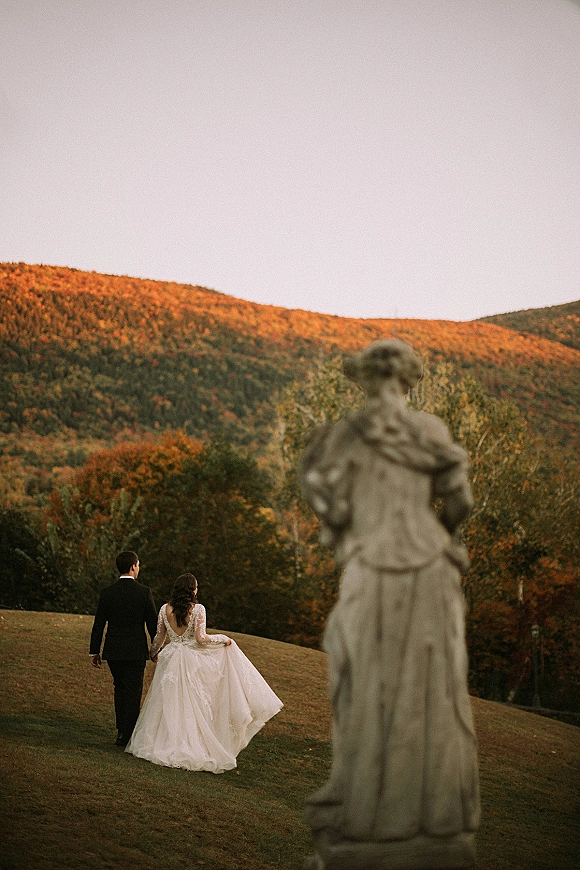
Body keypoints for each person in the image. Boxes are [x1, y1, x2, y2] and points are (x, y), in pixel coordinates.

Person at [300, 339, 480, 868]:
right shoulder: (429, 431)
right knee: (434, 690)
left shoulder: (346, 437)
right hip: (430, 569)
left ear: (363, 380)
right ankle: (434, 820)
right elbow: (460, 500)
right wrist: (438, 540)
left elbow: (328, 506)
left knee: (361, 679)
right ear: (409, 381)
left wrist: (327, 500)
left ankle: (369, 812)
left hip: (374, 568)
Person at [125, 572, 283, 773]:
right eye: (196, 587)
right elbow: (200, 638)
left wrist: (153, 653)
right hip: (191, 660)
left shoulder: (165, 609)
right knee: (192, 703)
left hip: (171, 657)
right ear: (192, 590)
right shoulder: (198, 609)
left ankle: (163, 741)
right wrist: (222, 638)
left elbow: (158, 637)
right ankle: (191, 745)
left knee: (169, 701)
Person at [89, 551, 158, 747]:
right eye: (138, 565)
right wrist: (154, 650)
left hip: (114, 650)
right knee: (133, 692)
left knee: (119, 689)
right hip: (136, 650)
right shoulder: (144, 592)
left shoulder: (107, 592)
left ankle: (121, 732)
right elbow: (152, 624)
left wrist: (94, 651)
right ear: (133, 567)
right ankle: (130, 735)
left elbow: (99, 624)